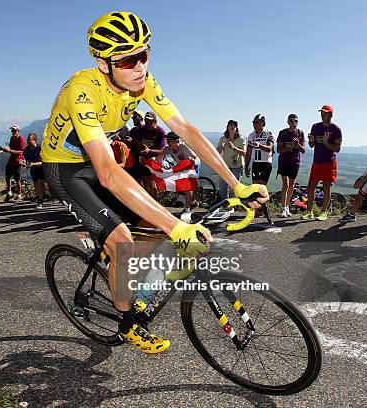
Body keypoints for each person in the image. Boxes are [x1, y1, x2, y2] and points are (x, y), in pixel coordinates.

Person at [40, 11, 268, 354]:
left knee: (153, 225)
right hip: (64, 168)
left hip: (96, 160)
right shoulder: (83, 90)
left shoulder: (143, 81)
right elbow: (108, 173)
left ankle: (123, 270)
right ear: (104, 65)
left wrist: (237, 185)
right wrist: (177, 226)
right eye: (129, 59)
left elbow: (186, 130)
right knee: (125, 241)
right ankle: (128, 320)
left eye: (144, 54)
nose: (140, 66)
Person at [302, 105, 342, 221]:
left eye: (325, 113)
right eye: (321, 112)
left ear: (330, 115)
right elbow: (311, 145)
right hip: (317, 162)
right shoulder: (315, 127)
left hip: (329, 162)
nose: (322, 114)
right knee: (311, 187)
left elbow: (337, 149)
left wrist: (326, 143)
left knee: (326, 187)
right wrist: (311, 141)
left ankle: (323, 212)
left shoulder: (336, 129)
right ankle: (309, 211)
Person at [157, 132, 200, 221]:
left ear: (177, 141)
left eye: (170, 140)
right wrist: (156, 167)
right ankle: (193, 202)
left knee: (188, 187)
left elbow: (196, 158)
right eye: (167, 140)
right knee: (187, 188)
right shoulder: (167, 149)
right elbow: (159, 158)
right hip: (182, 168)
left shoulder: (183, 147)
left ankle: (187, 209)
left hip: (192, 166)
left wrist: (194, 161)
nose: (168, 142)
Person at [276, 114, 306, 217]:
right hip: (284, 161)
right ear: (288, 122)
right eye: (291, 121)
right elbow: (278, 150)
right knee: (285, 184)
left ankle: (287, 206)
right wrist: (290, 147)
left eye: (295, 121)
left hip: (295, 162)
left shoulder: (300, 133)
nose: (293, 122)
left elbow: (303, 150)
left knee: (292, 185)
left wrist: (298, 145)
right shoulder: (283, 133)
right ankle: (283, 208)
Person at [134, 111, 166, 196]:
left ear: (155, 121)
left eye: (150, 120)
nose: (147, 122)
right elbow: (138, 143)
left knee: (152, 184)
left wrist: (149, 151)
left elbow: (162, 150)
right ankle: (148, 203)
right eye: (146, 120)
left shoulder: (160, 131)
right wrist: (141, 150)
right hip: (143, 160)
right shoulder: (141, 130)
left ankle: (155, 203)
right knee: (145, 183)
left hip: (154, 161)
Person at [216, 120, 245, 201]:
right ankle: (224, 204)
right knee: (222, 187)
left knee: (234, 187)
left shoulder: (241, 139)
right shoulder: (223, 138)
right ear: (227, 127)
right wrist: (222, 146)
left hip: (237, 166)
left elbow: (245, 153)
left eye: (234, 126)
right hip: (225, 166)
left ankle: (232, 205)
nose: (232, 127)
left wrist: (234, 148)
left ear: (236, 128)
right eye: (230, 125)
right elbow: (217, 152)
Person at [1, 125, 26, 202]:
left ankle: (19, 195)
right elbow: (10, 148)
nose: (12, 132)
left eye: (14, 131)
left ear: (18, 131)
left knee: (17, 179)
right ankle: (9, 192)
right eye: (12, 131)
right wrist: (4, 150)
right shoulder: (12, 138)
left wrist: (10, 151)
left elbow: (21, 151)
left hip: (18, 161)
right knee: (7, 177)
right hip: (11, 160)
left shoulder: (21, 139)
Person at [22, 133, 45, 209]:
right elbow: (25, 159)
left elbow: (43, 162)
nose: (27, 141)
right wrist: (23, 162)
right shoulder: (27, 149)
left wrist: (33, 164)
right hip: (33, 170)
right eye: (27, 140)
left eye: (29, 140)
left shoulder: (40, 148)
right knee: (36, 184)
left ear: (34, 140)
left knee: (40, 182)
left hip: (42, 169)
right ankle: (39, 198)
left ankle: (40, 200)